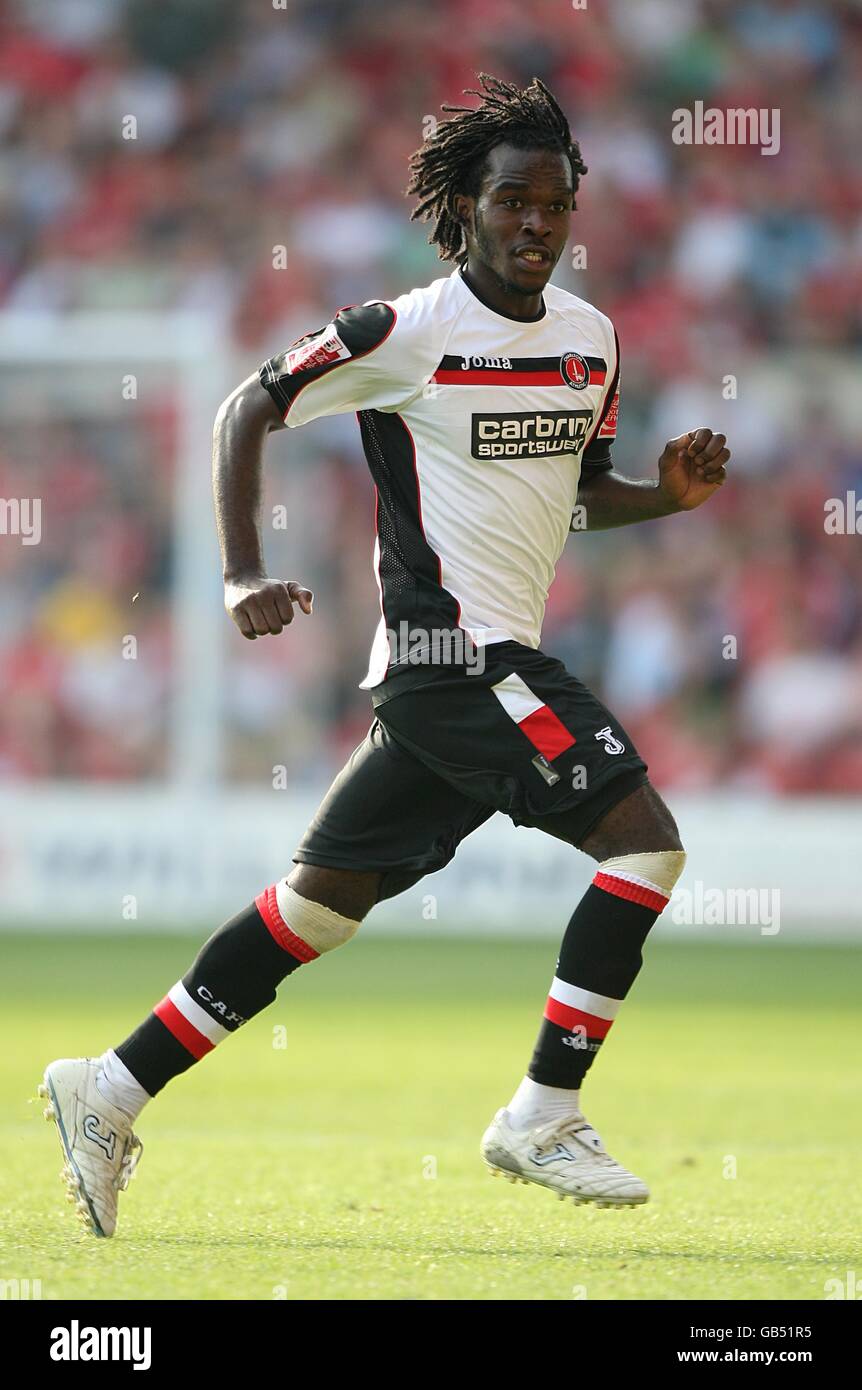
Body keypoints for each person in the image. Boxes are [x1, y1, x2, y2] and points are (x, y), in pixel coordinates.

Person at [40, 73, 729, 1237]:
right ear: (464, 205)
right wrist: (239, 570)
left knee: (317, 909)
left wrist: (660, 498)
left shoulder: (591, 341)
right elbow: (244, 410)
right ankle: (541, 1109)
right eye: (512, 199)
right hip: (451, 656)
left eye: (555, 204)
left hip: (474, 669)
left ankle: (108, 1086)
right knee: (644, 848)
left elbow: (566, 500)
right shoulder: (401, 333)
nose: (535, 224)